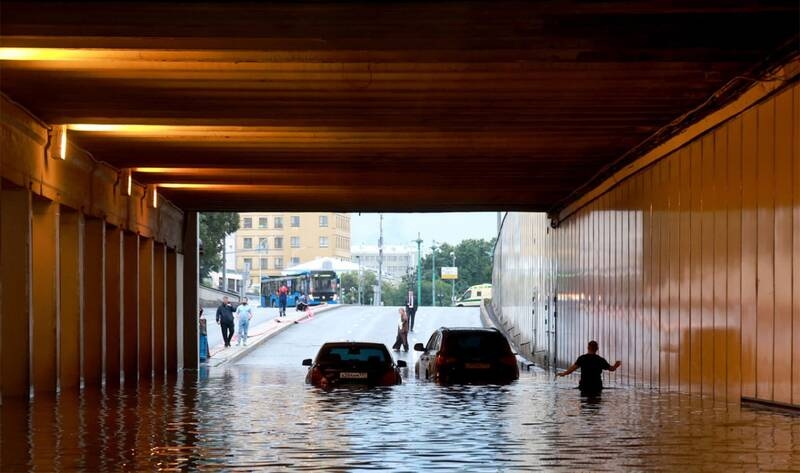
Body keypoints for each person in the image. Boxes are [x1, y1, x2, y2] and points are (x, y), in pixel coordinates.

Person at [556, 340, 621, 396]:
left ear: (588, 347)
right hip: (596, 386)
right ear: (597, 348)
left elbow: (572, 368)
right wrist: (616, 365)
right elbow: (611, 369)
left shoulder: (582, 358)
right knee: (596, 403)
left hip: (584, 385)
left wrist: (563, 374)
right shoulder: (600, 360)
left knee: (585, 403)